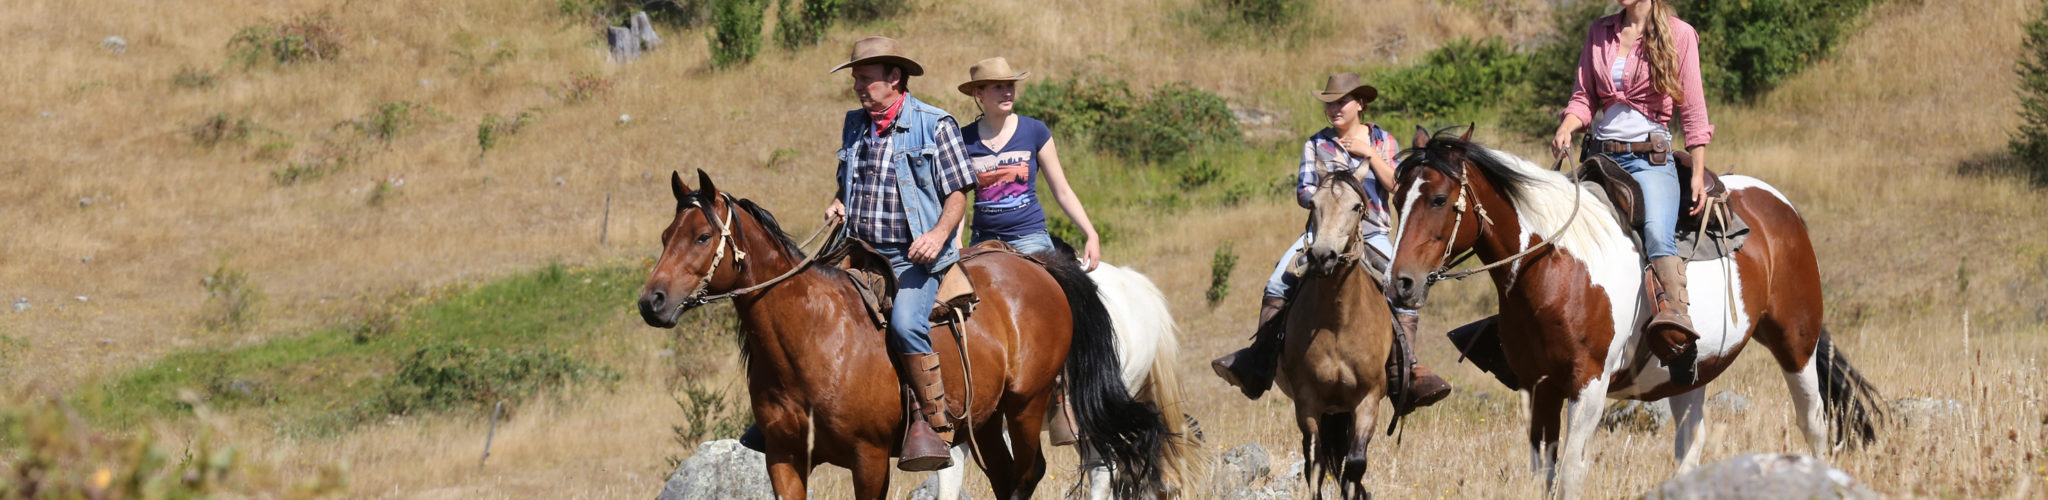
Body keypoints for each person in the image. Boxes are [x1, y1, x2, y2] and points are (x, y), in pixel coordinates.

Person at [1210, 73, 1451, 414]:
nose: (1334, 108)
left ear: (1360, 104)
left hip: (1372, 233)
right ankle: (1257, 363)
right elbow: (1304, 191)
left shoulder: (1384, 141)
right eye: (1330, 103)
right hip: (1322, 234)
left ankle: (1406, 373)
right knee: (1278, 282)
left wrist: (1369, 154)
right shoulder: (1316, 144)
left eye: (1341, 102)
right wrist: (1336, 194)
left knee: (1405, 287)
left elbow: (1398, 188)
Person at [814, 35, 977, 471]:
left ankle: (934, 423)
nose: (858, 87)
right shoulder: (854, 123)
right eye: (856, 80)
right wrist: (839, 201)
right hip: (858, 249)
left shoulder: (935, 123)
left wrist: (937, 236)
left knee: (906, 324)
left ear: (894, 78)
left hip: (914, 256)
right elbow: (852, 178)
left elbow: (958, 193)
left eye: (866, 80)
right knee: (804, 299)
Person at [1551, 0, 1714, 383]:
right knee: (1555, 224)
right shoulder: (1599, 32)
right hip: (1599, 156)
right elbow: (1583, 97)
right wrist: (1567, 127)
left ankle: (1678, 336)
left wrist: (1697, 170)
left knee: (1658, 232)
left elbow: (1693, 110)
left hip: (1649, 160)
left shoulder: (1680, 35)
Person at [955, 57, 1102, 270]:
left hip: (1029, 238)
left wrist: (1091, 234)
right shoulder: (963, 138)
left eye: (1010, 86)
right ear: (979, 93)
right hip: (983, 240)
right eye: (998, 87)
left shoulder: (1035, 131)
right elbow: (958, 198)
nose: (1007, 92)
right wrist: (958, 243)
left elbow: (1062, 190)